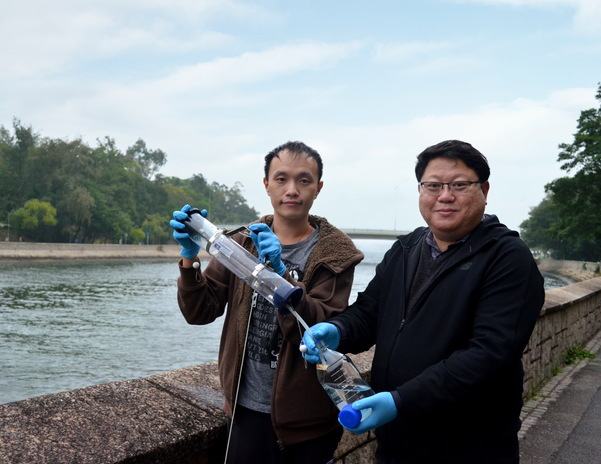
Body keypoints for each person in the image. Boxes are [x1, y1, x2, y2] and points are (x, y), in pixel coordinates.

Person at [302, 140, 545, 464]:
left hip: (471, 448)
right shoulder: (406, 249)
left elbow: (489, 355)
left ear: (484, 190)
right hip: (396, 445)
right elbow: (370, 312)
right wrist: (336, 329)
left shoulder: (507, 259)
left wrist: (401, 401)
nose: (445, 195)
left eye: (459, 185)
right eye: (433, 185)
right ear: (420, 190)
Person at [170, 141, 364, 464]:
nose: (292, 190)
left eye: (304, 180)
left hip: (309, 421)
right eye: (281, 179)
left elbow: (318, 327)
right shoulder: (240, 244)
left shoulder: (336, 255)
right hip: (245, 412)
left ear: (318, 188)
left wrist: (279, 272)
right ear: (266, 185)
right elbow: (199, 311)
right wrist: (190, 260)